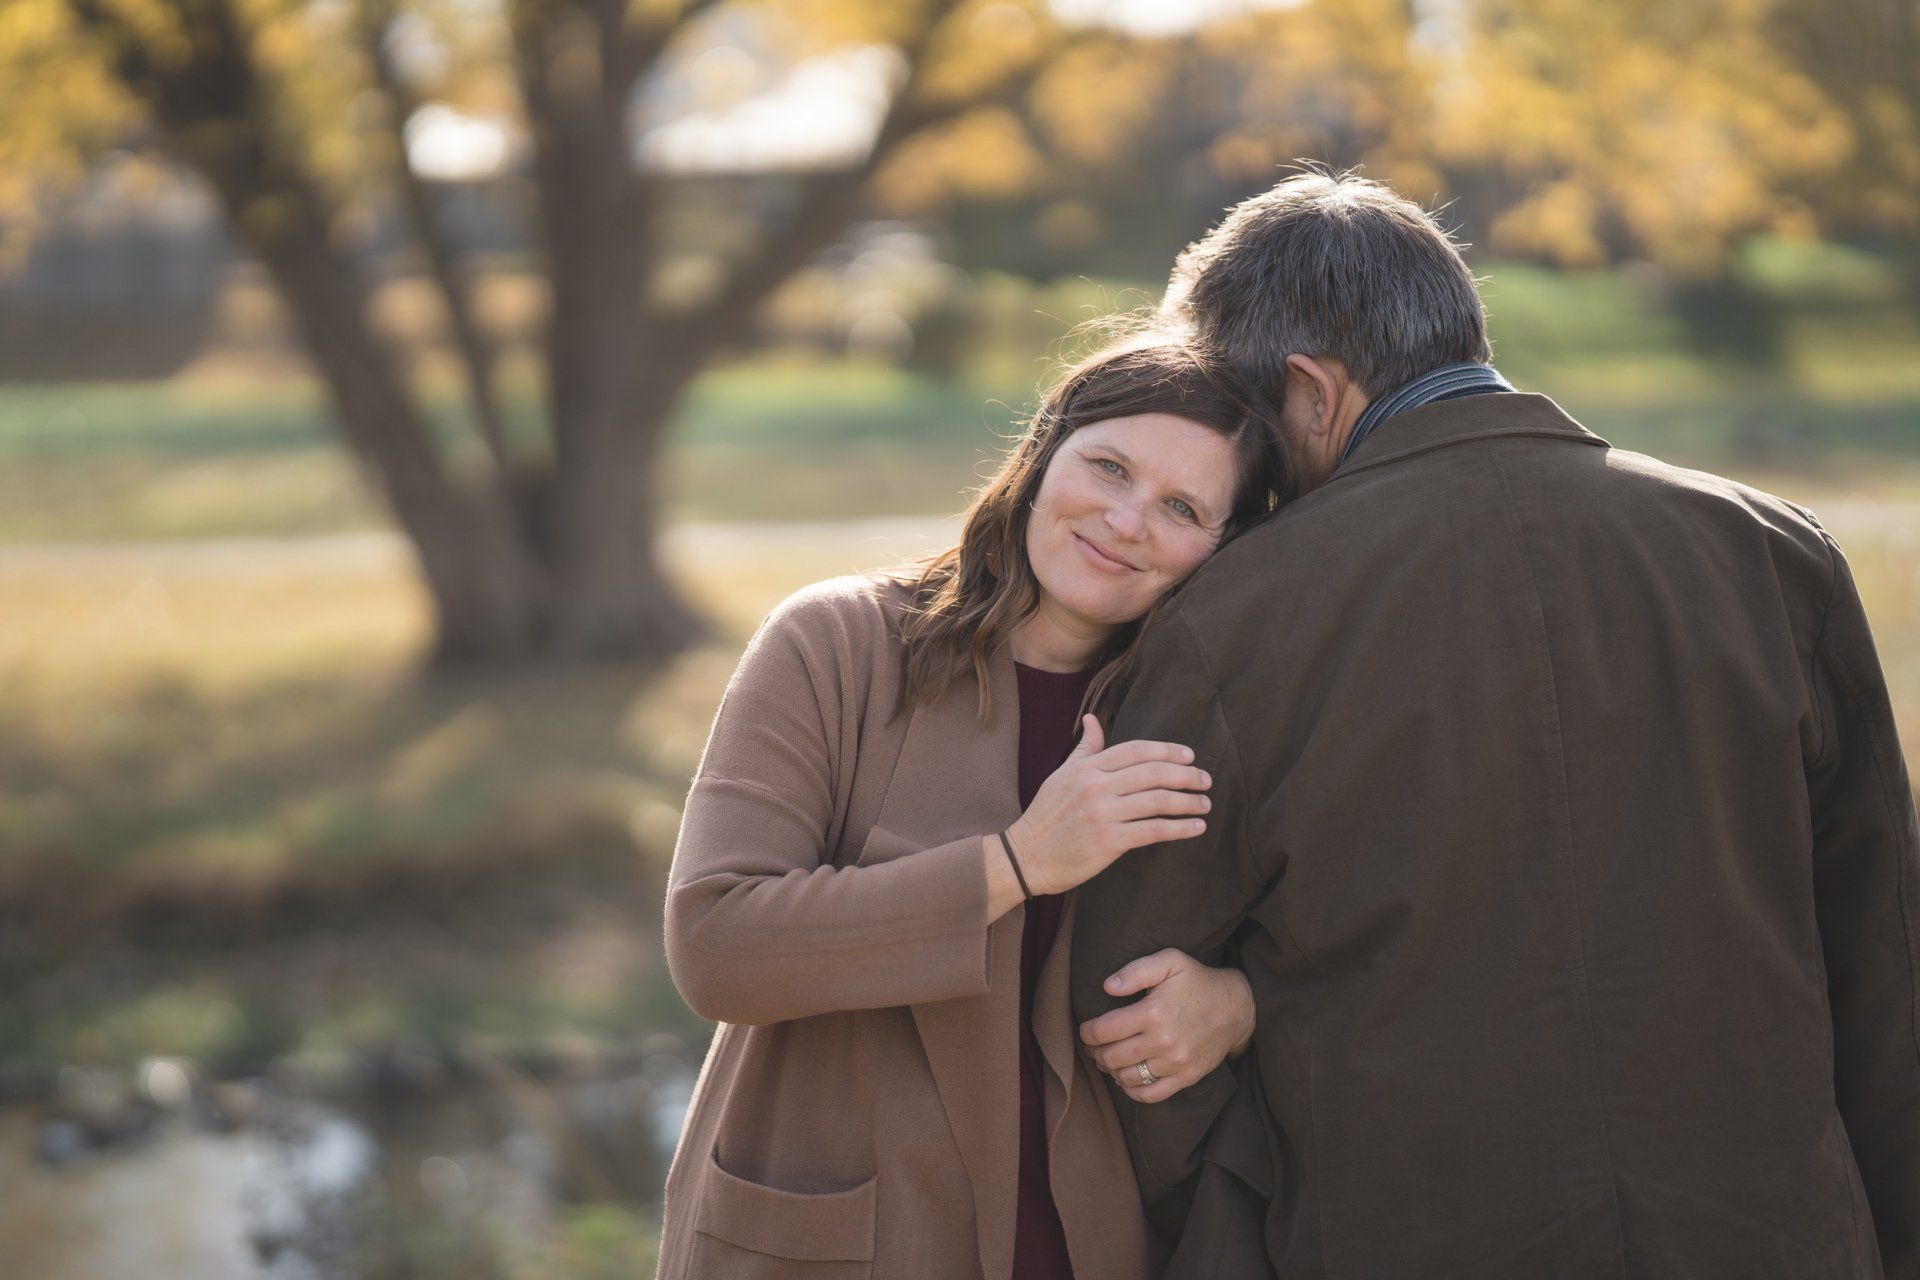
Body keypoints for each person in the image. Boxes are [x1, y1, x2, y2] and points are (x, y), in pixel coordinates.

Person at [1071, 170, 1920, 1279]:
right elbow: (1884, 954)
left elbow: (1135, 1006)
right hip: (1775, 1235)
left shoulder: (1232, 617)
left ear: (1312, 393)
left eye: (1253, 426)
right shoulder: (1773, 551)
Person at [656, 339, 1290, 1279]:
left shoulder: (1211, 720)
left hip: (1092, 1249)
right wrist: (1018, 863)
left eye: (1182, 508)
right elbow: (716, 948)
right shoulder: (835, 645)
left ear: (1221, 550)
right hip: (834, 1244)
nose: (1124, 520)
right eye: (1109, 467)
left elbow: (1348, 948)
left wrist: (1239, 1007)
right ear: (1044, 452)